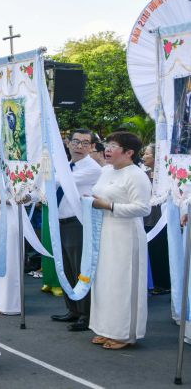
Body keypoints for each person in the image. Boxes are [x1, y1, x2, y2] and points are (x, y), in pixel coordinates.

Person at [89, 131, 151, 350]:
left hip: (125, 234)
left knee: (122, 283)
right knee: (105, 281)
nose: (107, 149)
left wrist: (110, 206)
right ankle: (106, 328)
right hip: (104, 231)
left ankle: (124, 333)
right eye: (108, 144)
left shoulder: (136, 175)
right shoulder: (105, 171)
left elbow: (143, 208)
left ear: (129, 153)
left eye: (114, 145)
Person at [51, 129, 102, 331]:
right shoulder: (66, 166)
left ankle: (85, 313)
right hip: (60, 222)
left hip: (78, 223)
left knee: (81, 269)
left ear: (91, 147)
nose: (79, 146)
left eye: (85, 143)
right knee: (66, 267)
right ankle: (72, 308)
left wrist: (45, 174)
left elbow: (63, 182)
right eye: (75, 141)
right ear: (69, 143)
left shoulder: (92, 168)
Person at [0, 148, 22, 315]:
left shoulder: (14, 174)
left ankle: (8, 303)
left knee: (8, 259)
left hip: (9, 217)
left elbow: (19, 199)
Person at [142, 144, 170, 295]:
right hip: (146, 219)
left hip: (161, 220)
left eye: (147, 154)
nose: (144, 156)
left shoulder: (165, 176)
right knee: (152, 252)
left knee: (161, 252)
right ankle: (156, 282)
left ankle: (164, 283)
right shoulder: (143, 174)